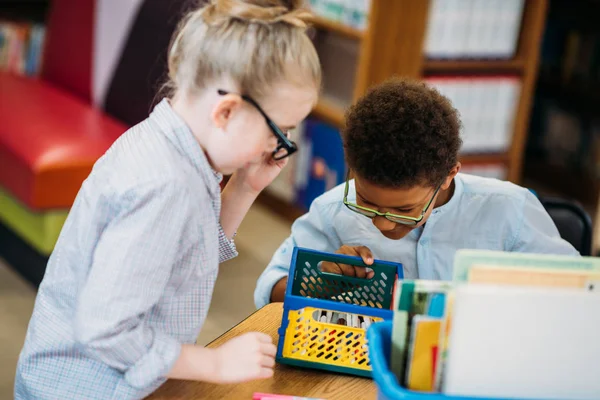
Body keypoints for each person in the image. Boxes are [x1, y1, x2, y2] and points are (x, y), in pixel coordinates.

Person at [15, 1, 320, 398]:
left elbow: (190, 254)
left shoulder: (177, 149)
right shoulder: (164, 185)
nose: (278, 147)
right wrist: (215, 363)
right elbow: (106, 328)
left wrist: (244, 188)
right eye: (279, 132)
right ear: (226, 111)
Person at [255, 78, 579, 308]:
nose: (381, 225)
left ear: (450, 174)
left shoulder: (510, 210)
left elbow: (576, 295)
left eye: (404, 211)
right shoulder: (332, 211)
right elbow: (268, 289)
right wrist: (320, 283)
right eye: (366, 202)